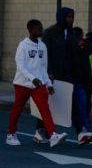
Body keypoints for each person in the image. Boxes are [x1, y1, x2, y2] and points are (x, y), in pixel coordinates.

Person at [7, 19, 66, 147]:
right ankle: (11, 134)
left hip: (38, 84)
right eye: (39, 28)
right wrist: (32, 78)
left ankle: (53, 135)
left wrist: (49, 85)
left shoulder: (43, 46)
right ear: (31, 30)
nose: (41, 30)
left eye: (41, 28)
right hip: (22, 84)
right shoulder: (23, 45)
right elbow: (21, 66)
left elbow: (43, 68)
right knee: (17, 109)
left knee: (45, 109)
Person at [38, 7, 77, 142]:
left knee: (63, 104)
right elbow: (44, 54)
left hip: (67, 75)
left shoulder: (72, 34)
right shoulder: (49, 33)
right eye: (68, 17)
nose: (70, 19)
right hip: (52, 75)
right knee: (47, 104)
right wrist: (48, 72)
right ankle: (40, 131)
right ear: (61, 17)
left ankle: (80, 131)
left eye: (72, 17)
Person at [71, 27, 92, 145]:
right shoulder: (79, 47)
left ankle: (83, 129)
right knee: (82, 105)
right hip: (82, 81)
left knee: (83, 104)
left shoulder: (86, 46)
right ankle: (83, 129)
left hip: (82, 81)